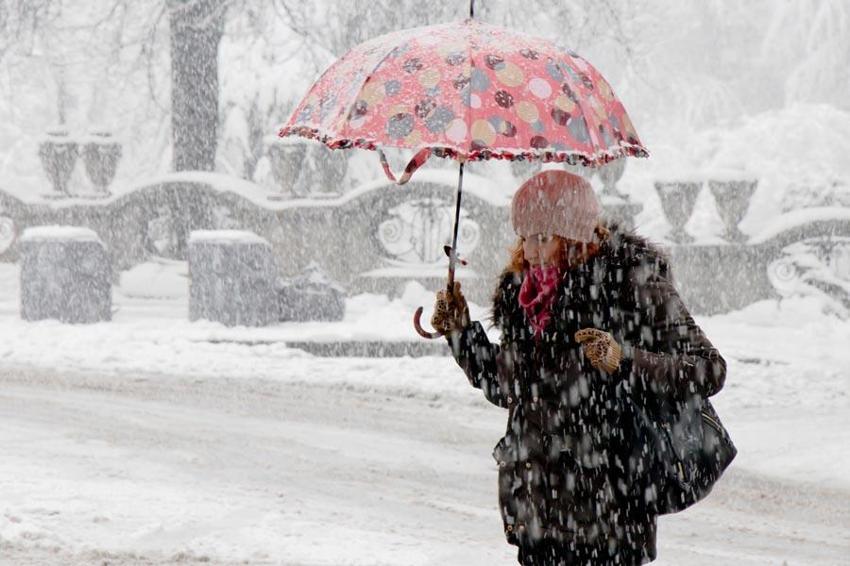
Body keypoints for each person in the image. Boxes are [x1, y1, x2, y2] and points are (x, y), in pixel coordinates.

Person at [430, 170, 726, 565]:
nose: (532, 252)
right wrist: (461, 333)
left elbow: (707, 369)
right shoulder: (524, 295)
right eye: (525, 238)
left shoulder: (630, 284)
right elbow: (510, 387)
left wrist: (623, 360)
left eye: (544, 238)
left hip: (610, 512)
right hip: (537, 509)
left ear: (574, 237)